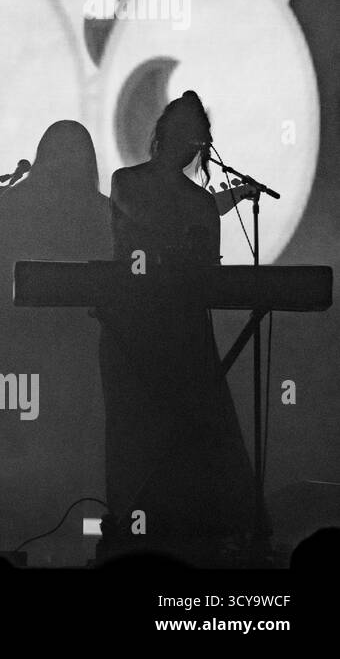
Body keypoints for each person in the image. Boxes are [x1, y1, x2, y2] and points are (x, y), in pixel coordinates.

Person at [98, 90, 259, 564]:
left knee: (185, 435)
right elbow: (144, 234)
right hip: (133, 328)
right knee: (134, 432)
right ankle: (129, 536)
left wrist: (217, 207)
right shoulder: (126, 182)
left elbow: (207, 265)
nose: (190, 147)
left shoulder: (197, 200)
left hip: (182, 330)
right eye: (187, 135)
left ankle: (186, 538)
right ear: (167, 135)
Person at [0, 120, 112, 559]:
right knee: (30, 453)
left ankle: (67, 539)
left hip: (73, 357)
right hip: (26, 355)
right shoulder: (16, 206)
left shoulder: (100, 211)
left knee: (70, 453)